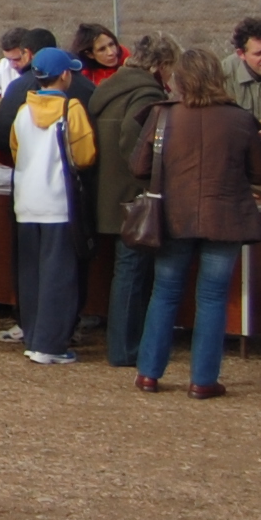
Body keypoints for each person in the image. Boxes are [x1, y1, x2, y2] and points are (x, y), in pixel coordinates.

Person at [132, 47, 261, 397]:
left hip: (173, 216)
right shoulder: (240, 119)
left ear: (179, 79)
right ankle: (203, 380)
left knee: (164, 293)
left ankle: (149, 373)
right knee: (212, 297)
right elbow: (260, 172)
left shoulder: (163, 115)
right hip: (224, 217)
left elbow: (139, 167)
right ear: (218, 77)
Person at [84, 32, 178, 369]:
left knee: (126, 270)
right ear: (161, 64)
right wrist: (151, 177)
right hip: (132, 196)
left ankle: (124, 343)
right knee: (132, 271)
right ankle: (125, 348)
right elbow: (133, 140)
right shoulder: (146, 94)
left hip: (106, 193)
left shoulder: (110, 88)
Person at [0, 47, 97, 365]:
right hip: (59, 201)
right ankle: (50, 344)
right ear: (65, 75)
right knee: (59, 275)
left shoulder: (23, 110)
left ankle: (33, 336)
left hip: (26, 200)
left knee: (31, 274)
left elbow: (15, 150)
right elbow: (84, 155)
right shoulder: (72, 108)